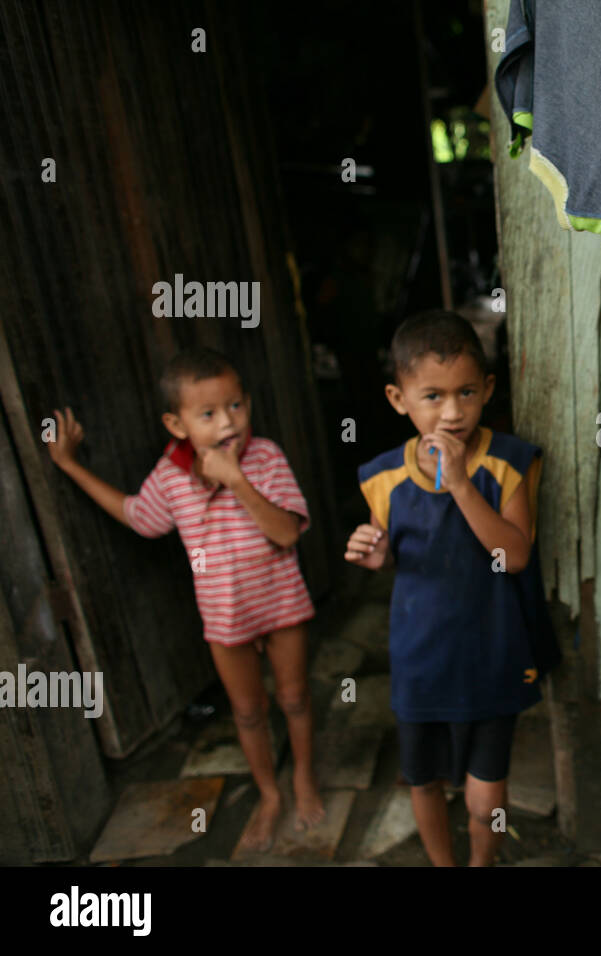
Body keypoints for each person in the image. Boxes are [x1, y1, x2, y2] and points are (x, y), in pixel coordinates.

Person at [47, 347, 323, 853]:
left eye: (236, 406)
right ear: (177, 424)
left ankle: (303, 776)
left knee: (295, 697)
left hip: (282, 604)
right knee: (247, 712)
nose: (229, 423)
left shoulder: (266, 459)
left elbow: (286, 534)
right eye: (209, 414)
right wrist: (68, 466)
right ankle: (268, 793)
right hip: (225, 620)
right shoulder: (171, 476)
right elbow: (138, 517)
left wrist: (236, 479)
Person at [347, 310, 558, 866]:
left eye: (466, 392)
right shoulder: (381, 477)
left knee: (486, 788)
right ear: (398, 399)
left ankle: (481, 863)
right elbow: (396, 552)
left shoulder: (509, 462)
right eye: (433, 396)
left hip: (493, 651)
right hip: (421, 656)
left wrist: (461, 483)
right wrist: (377, 554)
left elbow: (513, 556)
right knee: (423, 779)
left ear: (488, 388)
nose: (452, 411)